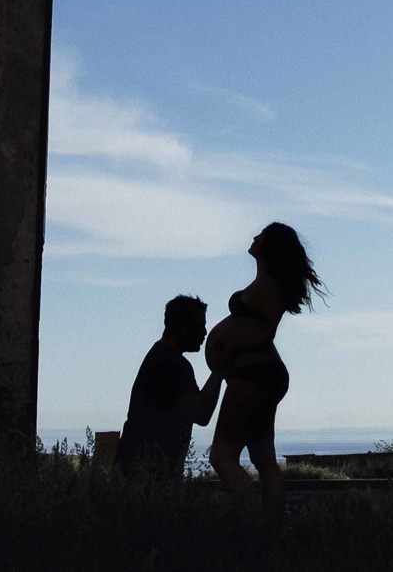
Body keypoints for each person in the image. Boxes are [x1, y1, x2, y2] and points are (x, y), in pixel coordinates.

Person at [205, 222, 325, 521]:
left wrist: (230, 350)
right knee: (263, 458)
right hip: (256, 373)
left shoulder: (270, 284)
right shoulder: (264, 281)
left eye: (260, 235)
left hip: (253, 373)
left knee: (222, 455)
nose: (254, 236)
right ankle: (271, 532)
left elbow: (266, 331)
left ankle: (255, 523)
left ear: (269, 246)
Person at [116, 295, 223, 478]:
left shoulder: (161, 358)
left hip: (136, 469)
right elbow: (201, 413)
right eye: (200, 326)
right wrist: (220, 370)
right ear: (183, 328)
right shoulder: (173, 365)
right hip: (148, 475)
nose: (205, 332)